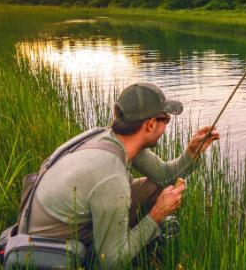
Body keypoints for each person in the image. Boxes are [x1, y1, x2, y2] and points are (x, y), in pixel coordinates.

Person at [18, 82, 219, 268]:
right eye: (165, 119)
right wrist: (157, 215)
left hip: (54, 223)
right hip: (52, 250)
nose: (166, 126)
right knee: (121, 244)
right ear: (149, 124)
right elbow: (111, 261)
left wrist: (192, 152)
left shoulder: (109, 137)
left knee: (152, 189)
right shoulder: (111, 176)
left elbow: (163, 176)